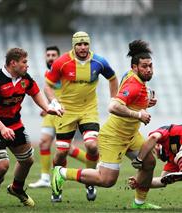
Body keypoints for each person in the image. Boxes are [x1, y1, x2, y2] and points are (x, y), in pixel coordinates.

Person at [51, 40, 161, 209]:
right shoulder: (133, 84)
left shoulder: (131, 76)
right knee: (106, 180)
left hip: (131, 135)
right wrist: (138, 114)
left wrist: (146, 101)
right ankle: (62, 173)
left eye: (150, 66)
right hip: (114, 137)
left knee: (149, 163)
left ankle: (139, 203)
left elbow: (130, 98)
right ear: (134, 68)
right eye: (144, 66)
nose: (148, 70)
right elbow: (113, 106)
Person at [0, 47, 63, 208]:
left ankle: (16, 189)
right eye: (24, 62)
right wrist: (2, 128)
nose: (27, 65)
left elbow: (36, 93)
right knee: (2, 166)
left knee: (27, 160)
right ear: (13, 63)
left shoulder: (25, 78)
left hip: (15, 124)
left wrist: (47, 108)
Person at [44, 31, 119, 202]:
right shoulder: (62, 62)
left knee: (92, 146)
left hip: (89, 109)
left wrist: (114, 99)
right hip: (66, 111)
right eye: (79, 44)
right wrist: (54, 102)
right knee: (61, 153)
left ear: (89, 45)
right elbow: (47, 86)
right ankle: (57, 185)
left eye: (85, 44)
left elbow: (112, 78)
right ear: (74, 45)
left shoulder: (99, 61)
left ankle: (90, 182)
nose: (83, 47)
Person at [29, 46, 87, 189]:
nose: (50, 57)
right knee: (44, 142)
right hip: (52, 113)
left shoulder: (65, 71)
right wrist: (47, 107)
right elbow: (51, 92)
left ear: (59, 57)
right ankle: (44, 178)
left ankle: (94, 162)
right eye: (48, 55)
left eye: (53, 55)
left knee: (67, 149)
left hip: (65, 113)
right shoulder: (47, 73)